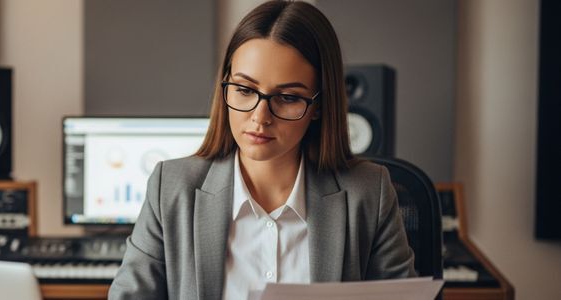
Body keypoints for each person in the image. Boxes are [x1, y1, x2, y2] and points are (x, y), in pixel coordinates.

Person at [108, 1, 416, 299]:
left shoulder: (368, 192)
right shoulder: (171, 188)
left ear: (319, 106)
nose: (260, 118)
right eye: (244, 90)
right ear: (225, 84)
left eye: (287, 97)